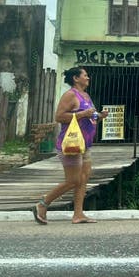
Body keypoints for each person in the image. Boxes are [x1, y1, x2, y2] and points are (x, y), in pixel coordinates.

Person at [32, 66, 108, 225]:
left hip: (85, 144)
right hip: (71, 145)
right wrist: (82, 114)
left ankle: (78, 214)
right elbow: (59, 116)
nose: (88, 78)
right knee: (73, 180)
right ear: (76, 78)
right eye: (85, 75)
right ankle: (43, 203)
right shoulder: (70, 95)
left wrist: (101, 116)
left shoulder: (86, 96)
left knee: (83, 179)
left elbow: (91, 117)